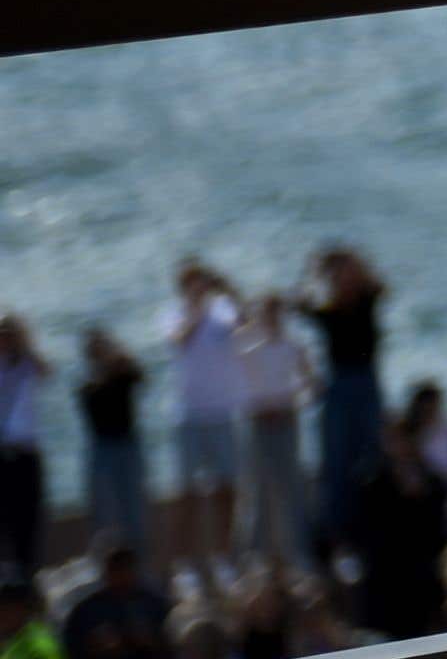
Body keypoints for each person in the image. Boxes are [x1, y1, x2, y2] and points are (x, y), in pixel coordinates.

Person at [161, 266, 244, 574]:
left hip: (222, 413)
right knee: (186, 492)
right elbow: (180, 339)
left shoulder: (223, 312)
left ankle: (224, 558)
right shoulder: (173, 314)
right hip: (189, 415)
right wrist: (196, 308)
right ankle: (185, 563)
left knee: (227, 488)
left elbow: (246, 324)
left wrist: (229, 288)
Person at [297, 244, 385, 525]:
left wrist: (353, 260)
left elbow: (378, 283)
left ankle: (368, 521)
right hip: (339, 383)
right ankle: (337, 528)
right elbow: (299, 302)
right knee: (336, 459)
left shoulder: (366, 300)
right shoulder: (328, 312)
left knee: (370, 454)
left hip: (366, 380)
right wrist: (315, 270)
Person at [236, 290, 311, 571]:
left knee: (291, 488)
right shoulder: (248, 347)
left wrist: (289, 403)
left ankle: (297, 554)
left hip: (285, 421)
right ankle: (253, 556)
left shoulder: (293, 347)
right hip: (258, 422)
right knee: (256, 489)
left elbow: (309, 383)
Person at [69, 322, 148, 565]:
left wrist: (119, 354)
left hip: (128, 446)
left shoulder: (124, 375)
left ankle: (140, 563)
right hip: (102, 448)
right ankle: (103, 565)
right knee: (102, 512)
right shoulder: (87, 385)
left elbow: (141, 376)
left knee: (134, 510)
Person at [0, 310, 44, 584]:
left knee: (27, 522)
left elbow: (46, 370)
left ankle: (28, 581)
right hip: (2, 452)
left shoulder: (27, 363)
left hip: (26, 451)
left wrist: (24, 344)